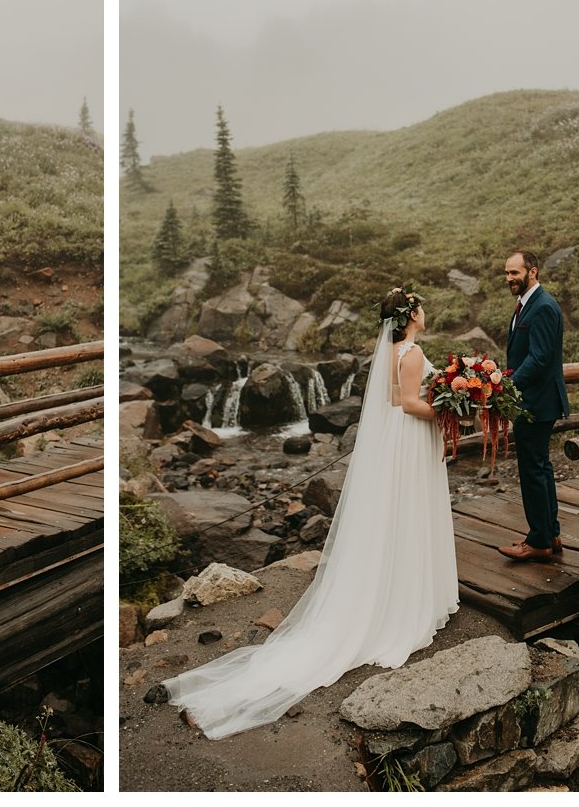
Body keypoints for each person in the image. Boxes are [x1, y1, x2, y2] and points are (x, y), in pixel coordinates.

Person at [162, 286, 456, 739]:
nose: (426, 310)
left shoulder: (393, 350)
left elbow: (393, 402)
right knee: (409, 514)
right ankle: (406, 600)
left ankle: (394, 590)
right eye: (422, 305)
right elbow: (411, 403)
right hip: (411, 439)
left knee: (396, 516)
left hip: (397, 443)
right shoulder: (412, 352)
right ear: (411, 314)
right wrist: (450, 406)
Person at [497, 250, 569, 561]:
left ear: (533, 272)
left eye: (515, 273)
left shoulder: (542, 307)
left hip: (536, 403)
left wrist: (505, 385)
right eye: (507, 273)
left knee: (533, 470)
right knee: (540, 467)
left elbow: (539, 359)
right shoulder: (528, 305)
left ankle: (538, 541)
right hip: (535, 401)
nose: (509, 278)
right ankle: (549, 532)